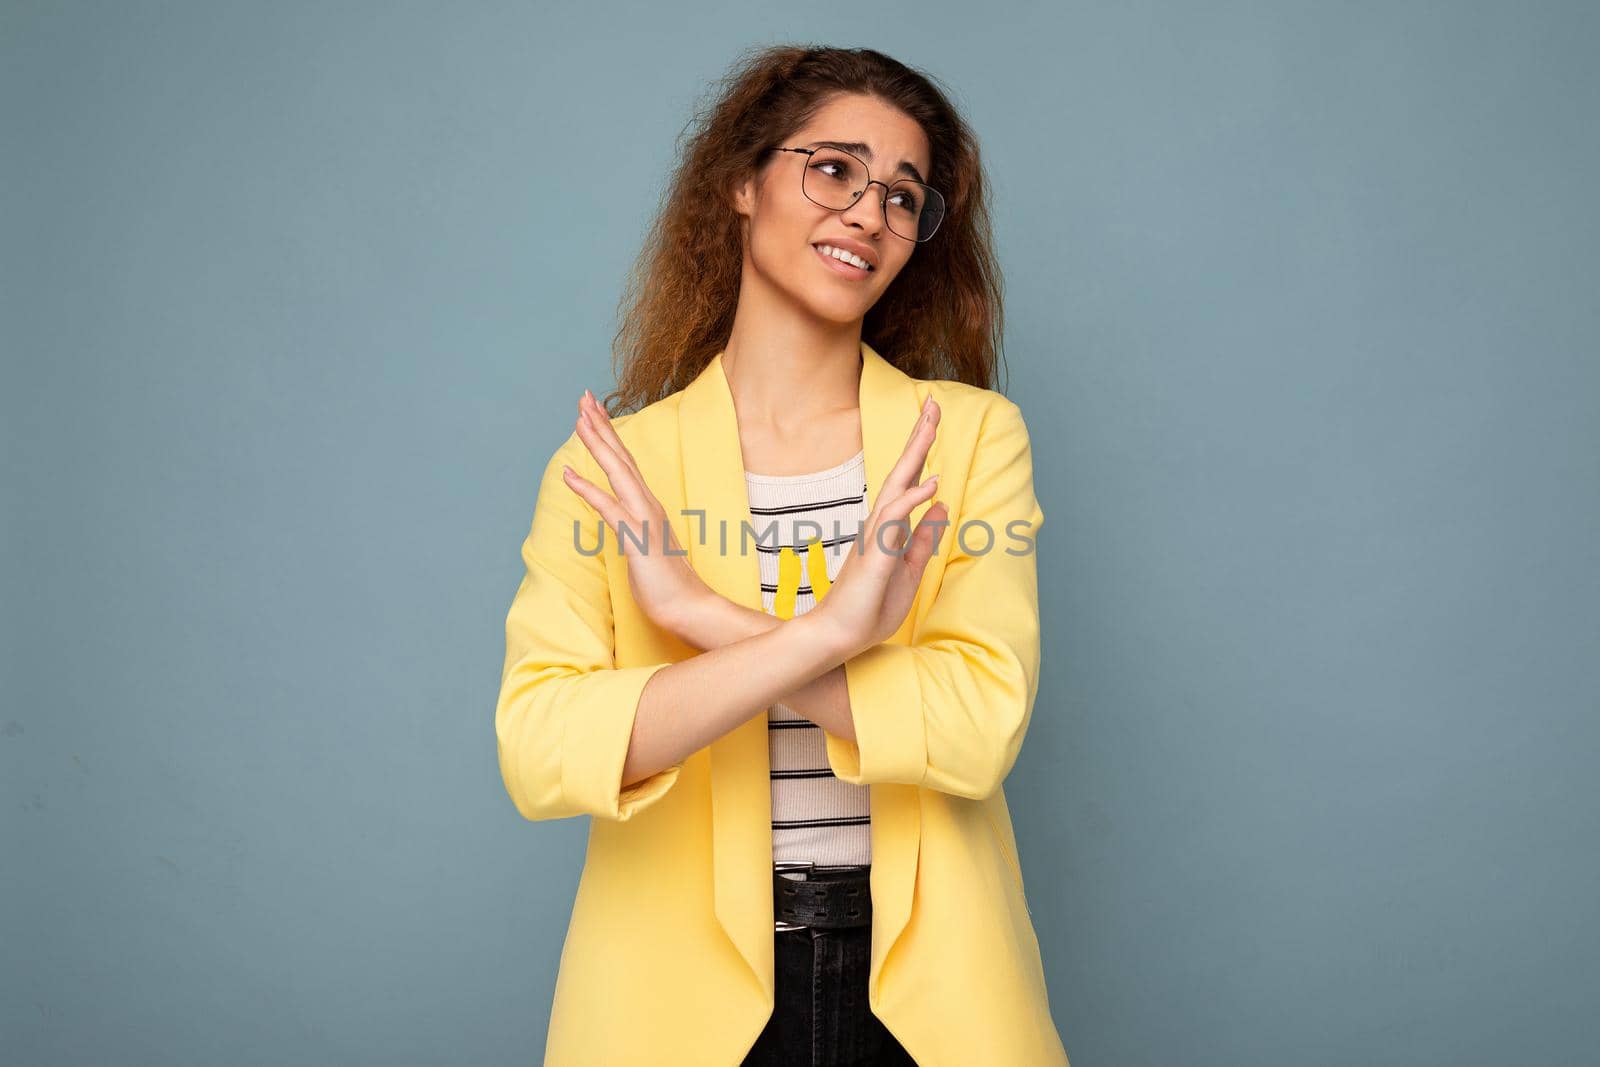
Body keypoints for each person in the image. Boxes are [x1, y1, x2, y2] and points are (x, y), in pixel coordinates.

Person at [495, 45, 1071, 1067]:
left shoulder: (972, 439)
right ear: (741, 180)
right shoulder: (614, 468)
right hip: (677, 1001)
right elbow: (544, 743)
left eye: (903, 195)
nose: (868, 213)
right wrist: (835, 634)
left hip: (927, 1001)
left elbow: (978, 724)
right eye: (835, 168)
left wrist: (710, 618)